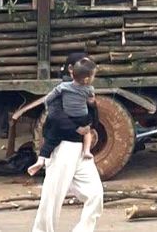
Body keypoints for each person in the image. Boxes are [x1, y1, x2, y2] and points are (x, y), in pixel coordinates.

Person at [31, 55, 104, 232]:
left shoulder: (86, 90)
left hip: (80, 150)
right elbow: (55, 116)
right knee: (52, 198)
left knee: (95, 194)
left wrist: (93, 107)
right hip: (62, 147)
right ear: (71, 69)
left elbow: (93, 122)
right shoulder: (62, 90)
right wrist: (76, 129)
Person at [28, 58, 98, 176]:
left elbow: (49, 98)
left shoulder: (63, 87)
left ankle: (41, 159)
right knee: (87, 132)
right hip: (77, 127)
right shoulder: (88, 89)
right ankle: (87, 151)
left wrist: (46, 103)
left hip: (68, 129)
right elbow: (90, 102)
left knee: (50, 140)